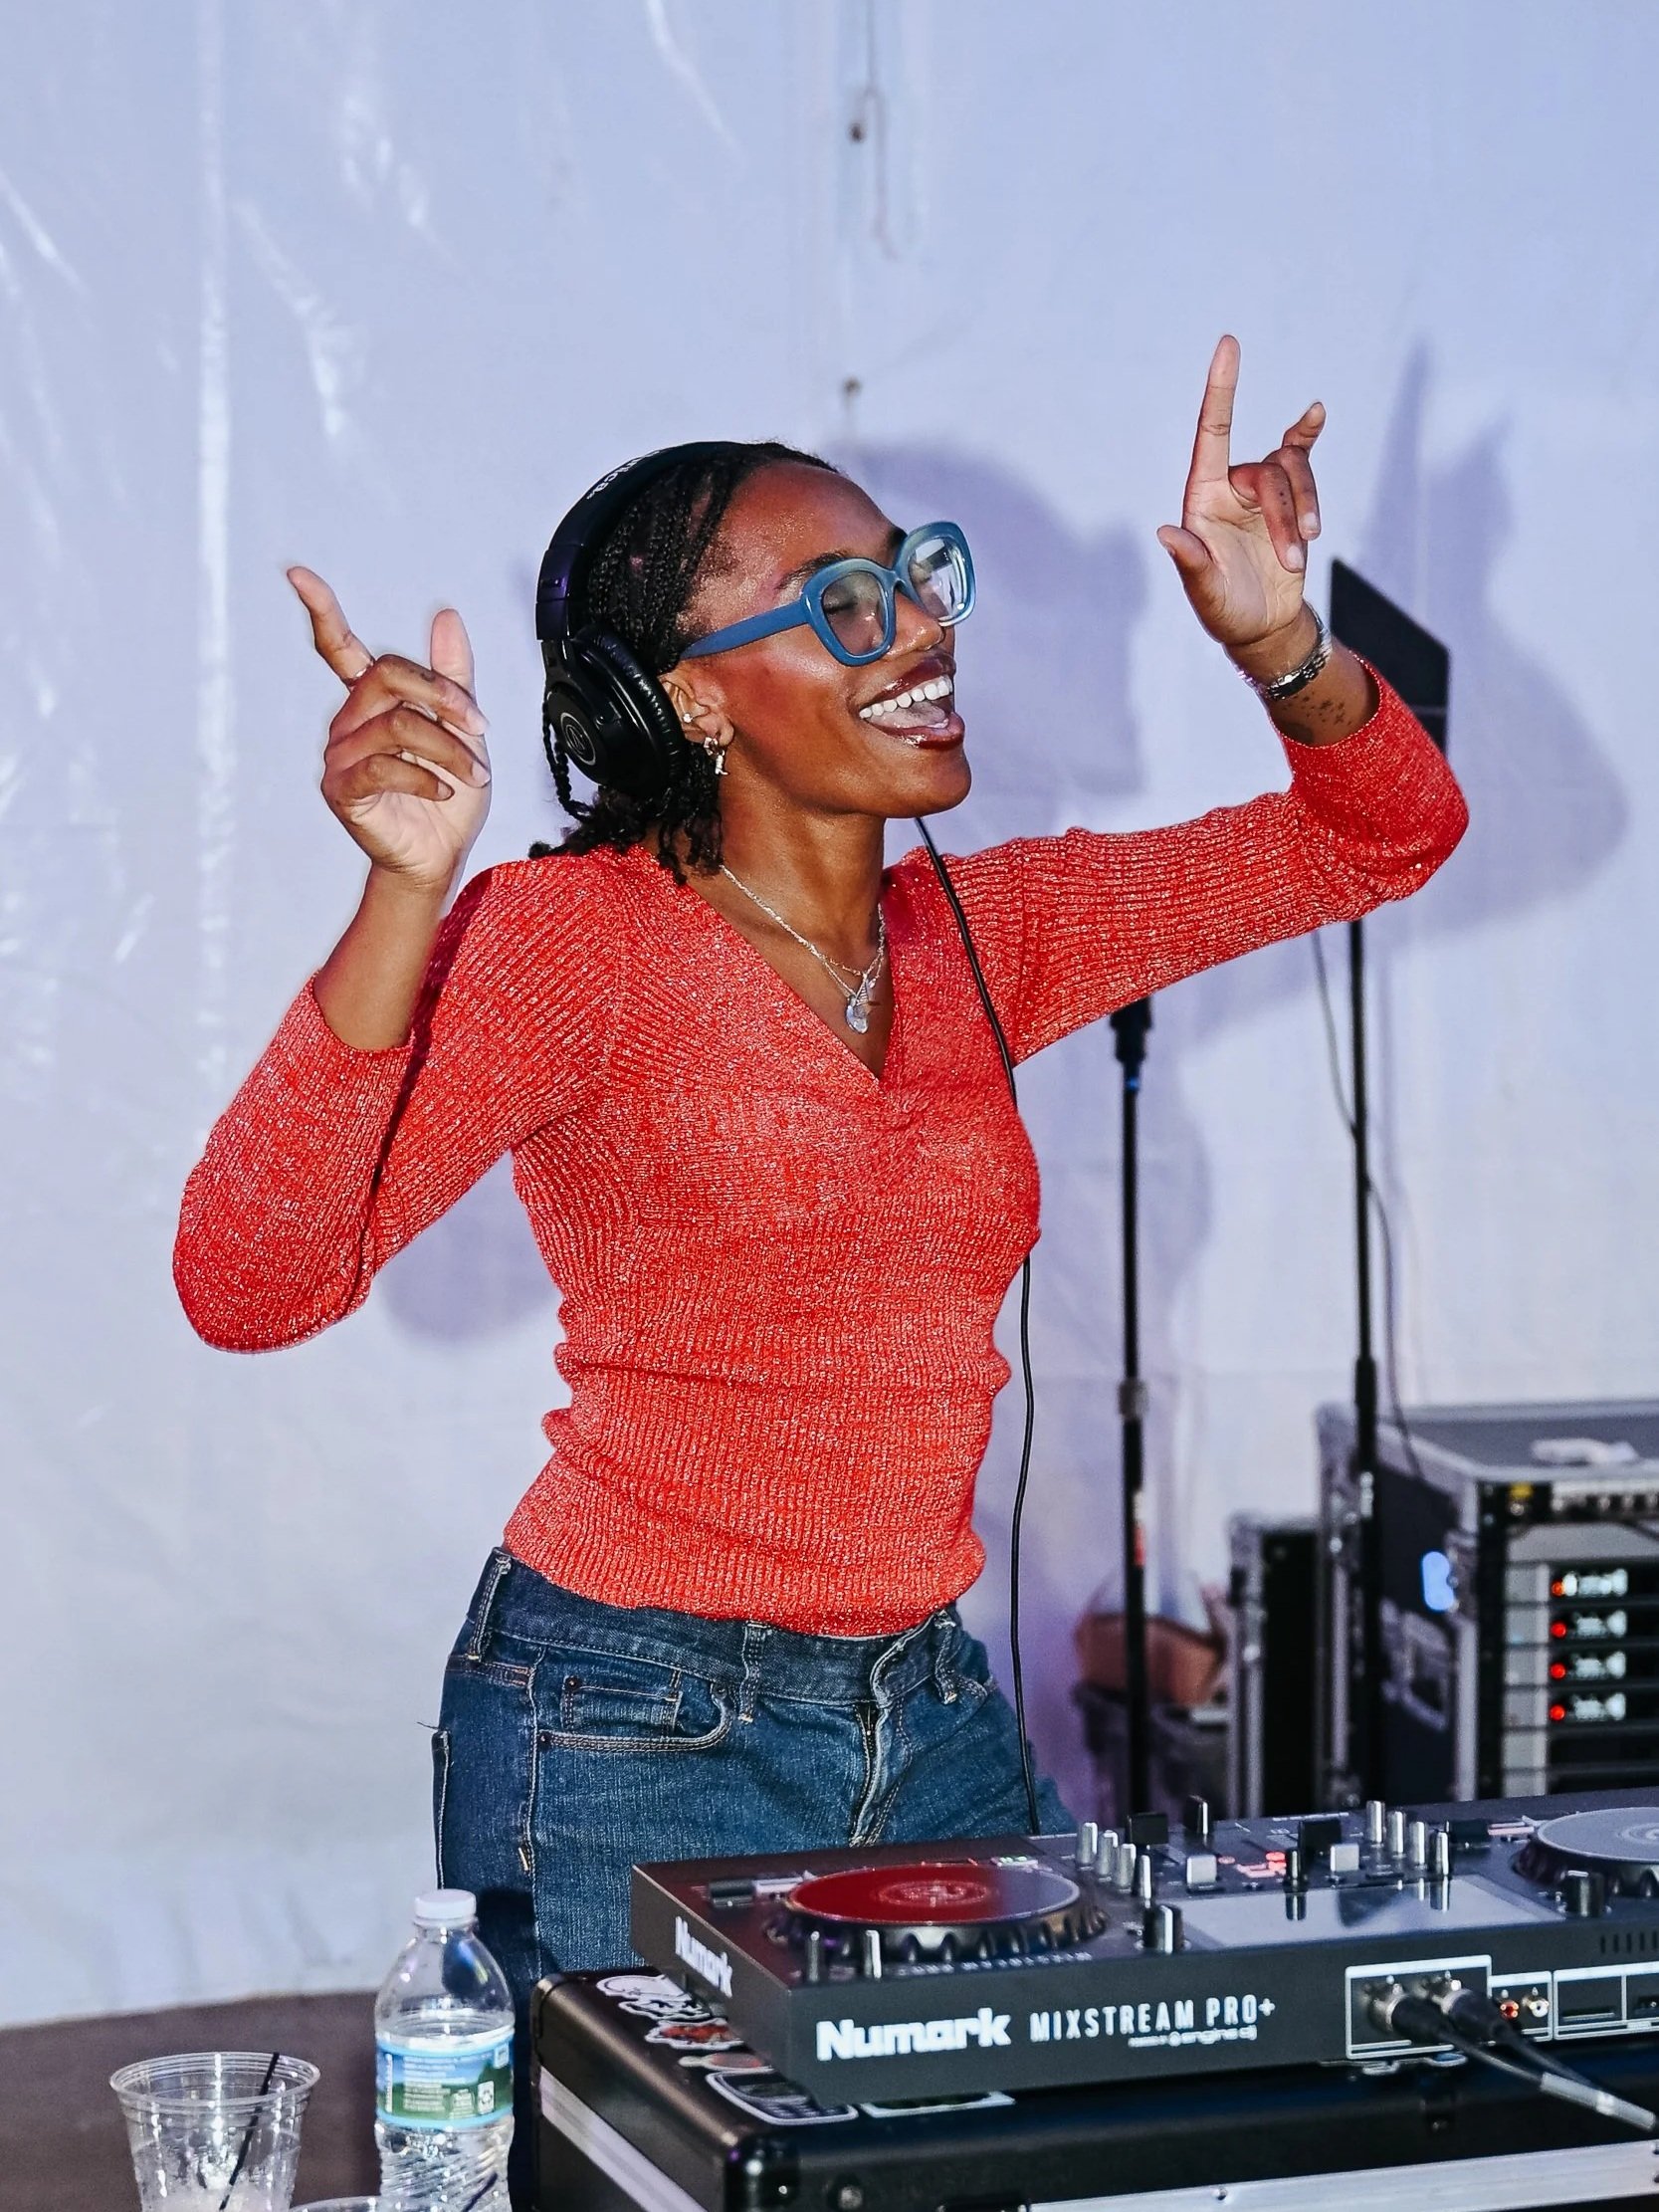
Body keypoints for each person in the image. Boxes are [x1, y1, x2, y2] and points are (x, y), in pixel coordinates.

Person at [174, 338, 1465, 2191]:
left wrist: (1280, 642)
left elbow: (1392, 832)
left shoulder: (983, 931)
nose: (916, 628)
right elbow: (250, 1278)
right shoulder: (567, 943)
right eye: (843, 603)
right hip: (629, 1722)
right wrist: (402, 897)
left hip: (927, 1716)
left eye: (919, 577)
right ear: (691, 701)